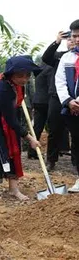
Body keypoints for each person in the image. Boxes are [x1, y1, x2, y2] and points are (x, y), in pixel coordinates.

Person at [0, 55, 41, 200]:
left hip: (6, 116)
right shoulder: (2, 88)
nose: (24, 79)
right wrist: (29, 138)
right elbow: (10, 119)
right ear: (11, 74)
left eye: (27, 75)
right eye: (20, 76)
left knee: (14, 148)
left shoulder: (17, 85)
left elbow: (12, 113)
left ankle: (13, 188)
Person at [43, 30, 75, 170]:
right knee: (54, 130)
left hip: (76, 99)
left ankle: (76, 162)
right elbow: (46, 57)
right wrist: (57, 41)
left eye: (75, 38)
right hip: (57, 98)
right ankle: (51, 160)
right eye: (70, 39)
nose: (73, 41)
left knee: (76, 131)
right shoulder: (60, 57)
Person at [56, 20, 79, 192]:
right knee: (77, 142)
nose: (76, 39)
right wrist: (69, 101)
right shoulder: (67, 57)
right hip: (71, 108)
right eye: (74, 36)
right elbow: (60, 81)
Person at [30, 63, 53, 160]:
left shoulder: (39, 68)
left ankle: (32, 152)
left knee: (37, 127)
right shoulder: (50, 68)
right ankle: (51, 155)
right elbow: (50, 86)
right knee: (52, 127)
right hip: (47, 100)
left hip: (38, 100)